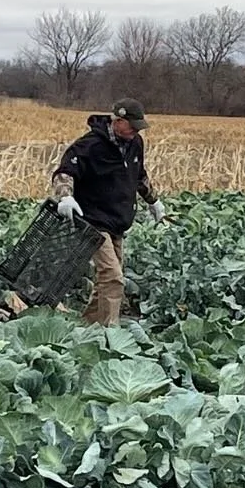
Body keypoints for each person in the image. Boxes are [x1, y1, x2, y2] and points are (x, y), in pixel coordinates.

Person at [51, 98, 165, 325]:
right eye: (131, 125)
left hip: (118, 222)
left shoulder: (135, 143)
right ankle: (108, 334)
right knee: (113, 278)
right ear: (118, 120)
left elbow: (139, 175)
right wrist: (65, 197)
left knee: (106, 280)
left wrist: (153, 202)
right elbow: (64, 174)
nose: (135, 131)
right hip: (92, 221)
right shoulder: (89, 146)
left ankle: (88, 326)